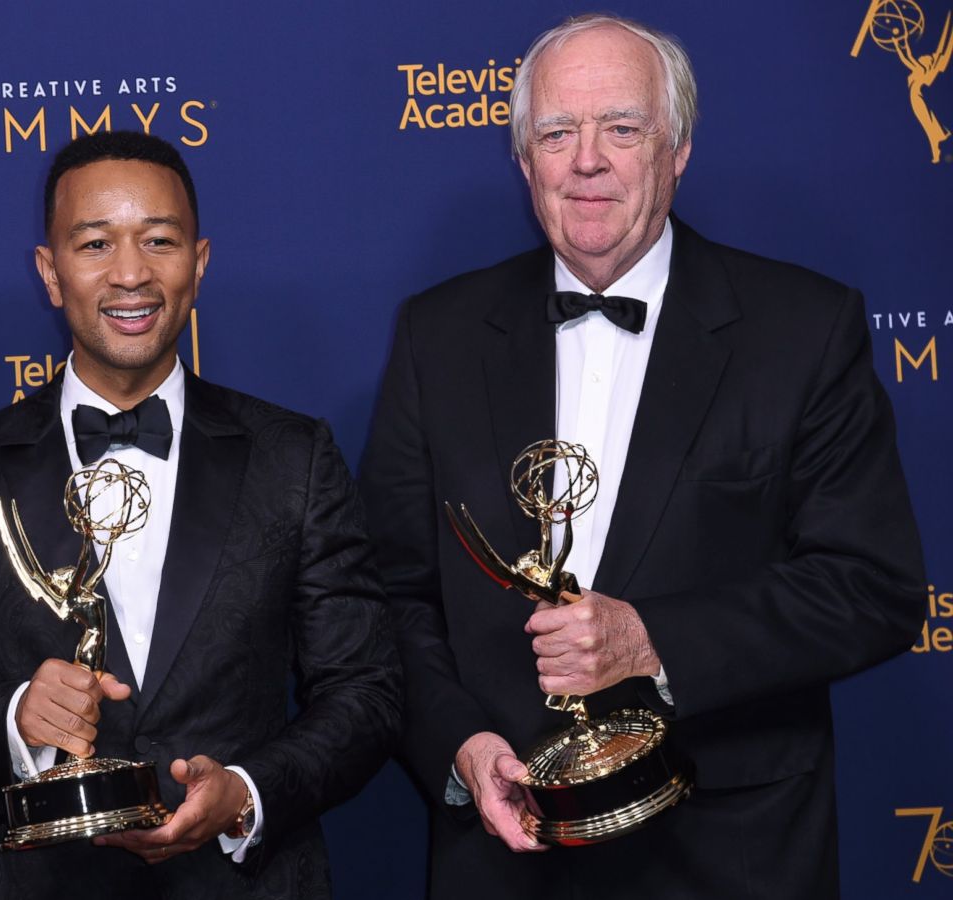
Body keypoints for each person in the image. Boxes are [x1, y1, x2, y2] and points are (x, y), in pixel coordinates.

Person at [360, 13, 925, 899]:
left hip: (730, 853)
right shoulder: (437, 334)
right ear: (523, 161)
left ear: (679, 150)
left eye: (622, 128)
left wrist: (652, 641)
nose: (588, 160)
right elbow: (391, 593)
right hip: (504, 855)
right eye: (557, 132)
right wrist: (462, 748)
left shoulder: (804, 329)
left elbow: (873, 589)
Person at [0, 130, 401, 899]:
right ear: (50, 274)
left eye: (159, 240)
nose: (131, 274)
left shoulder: (295, 455)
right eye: (95, 244)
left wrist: (247, 794)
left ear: (200, 262)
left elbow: (367, 691)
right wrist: (18, 718)